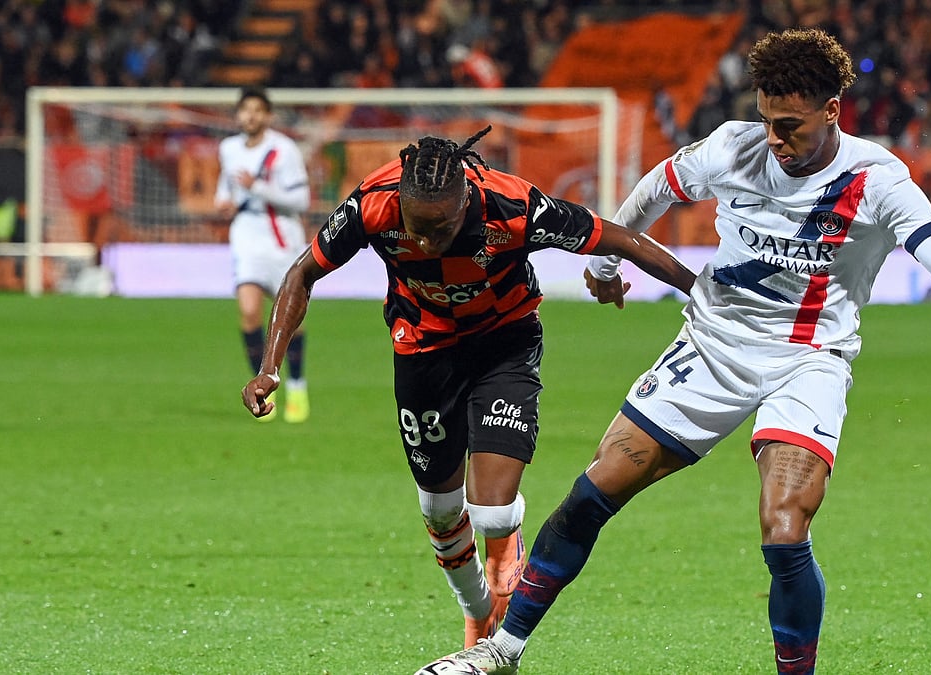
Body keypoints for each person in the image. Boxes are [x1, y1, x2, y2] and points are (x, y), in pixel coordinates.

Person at [425, 27, 931, 675]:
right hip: (713, 346)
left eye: (790, 125)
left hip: (808, 361)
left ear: (833, 110)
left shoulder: (877, 180)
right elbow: (658, 187)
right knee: (594, 490)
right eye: (766, 120)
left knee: (784, 525)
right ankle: (502, 650)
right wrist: (610, 266)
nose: (774, 139)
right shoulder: (732, 147)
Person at [240, 127, 695, 648]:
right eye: (419, 227)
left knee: (493, 511)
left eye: (443, 226)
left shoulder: (515, 205)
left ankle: (505, 541)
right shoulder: (373, 204)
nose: (428, 240)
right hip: (423, 351)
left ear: (465, 200)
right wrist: (270, 366)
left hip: (504, 343)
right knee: (438, 511)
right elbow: (302, 274)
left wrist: (698, 290)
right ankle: (477, 614)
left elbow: (622, 237)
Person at [217, 86, 312, 423]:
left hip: (281, 235)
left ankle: (297, 386)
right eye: (245, 110)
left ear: (268, 116)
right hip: (246, 233)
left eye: (257, 110)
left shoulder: (283, 150)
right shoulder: (228, 149)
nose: (250, 116)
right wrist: (224, 202)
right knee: (248, 311)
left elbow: (301, 201)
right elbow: (225, 189)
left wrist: (257, 187)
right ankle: (259, 389)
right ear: (238, 114)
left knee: (289, 319)